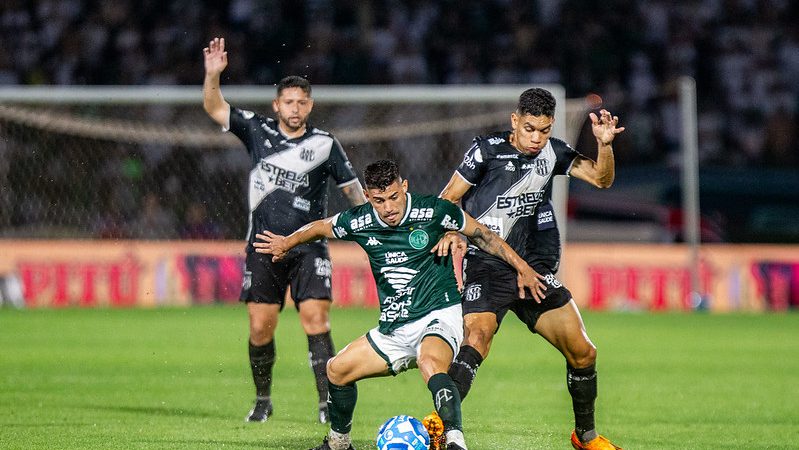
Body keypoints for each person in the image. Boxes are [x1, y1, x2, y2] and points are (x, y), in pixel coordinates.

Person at [253, 159, 546, 450]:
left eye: (394, 196)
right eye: (379, 200)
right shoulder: (359, 220)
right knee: (336, 370)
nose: (389, 208)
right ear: (368, 197)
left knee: (430, 362)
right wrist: (286, 243)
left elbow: (484, 235)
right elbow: (320, 227)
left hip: (439, 313)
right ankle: (338, 443)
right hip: (394, 327)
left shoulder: (433, 210)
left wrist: (522, 267)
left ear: (404, 187)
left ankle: (456, 441)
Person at [437, 88, 625, 450]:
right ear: (514, 121)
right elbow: (448, 197)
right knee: (477, 338)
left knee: (584, 352)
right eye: (529, 129)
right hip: (487, 265)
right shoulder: (486, 150)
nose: (537, 138)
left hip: (532, 272)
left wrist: (605, 145)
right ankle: (441, 430)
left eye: (544, 130)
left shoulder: (553, 152)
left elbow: (602, 179)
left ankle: (585, 438)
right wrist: (450, 229)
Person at [202, 37, 368, 424]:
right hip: (262, 246)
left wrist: (370, 223)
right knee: (261, 327)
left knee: (316, 320)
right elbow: (214, 107)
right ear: (277, 105)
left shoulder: (325, 144)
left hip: (309, 247)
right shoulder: (257, 130)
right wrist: (213, 75)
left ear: (310, 105)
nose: (295, 108)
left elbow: (352, 190)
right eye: (288, 102)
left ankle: (327, 403)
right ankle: (263, 400)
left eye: (302, 102)